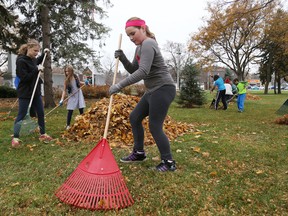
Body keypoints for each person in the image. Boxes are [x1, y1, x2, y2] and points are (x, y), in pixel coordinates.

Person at [109, 17, 177, 172]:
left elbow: (143, 72)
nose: (131, 38)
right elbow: (134, 69)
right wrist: (123, 57)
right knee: (135, 117)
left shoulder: (148, 43)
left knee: (155, 126)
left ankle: (168, 162)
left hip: (163, 88)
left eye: (133, 33)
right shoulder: (139, 47)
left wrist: (119, 85)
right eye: (128, 36)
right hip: (152, 90)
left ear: (143, 28)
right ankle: (139, 153)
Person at [11, 39, 52, 148]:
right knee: (22, 114)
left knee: (41, 113)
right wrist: (36, 70)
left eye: (38, 51)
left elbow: (38, 60)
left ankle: (42, 134)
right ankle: (15, 138)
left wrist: (44, 53)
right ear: (28, 49)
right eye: (35, 51)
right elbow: (24, 78)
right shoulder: (21, 61)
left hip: (36, 91)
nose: (36, 53)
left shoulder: (33, 59)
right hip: (25, 92)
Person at [59, 65, 86, 130]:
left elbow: (79, 82)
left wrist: (85, 82)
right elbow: (64, 91)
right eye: (66, 71)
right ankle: (68, 125)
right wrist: (62, 99)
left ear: (71, 71)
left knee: (81, 108)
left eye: (68, 71)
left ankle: (83, 123)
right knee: (70, 110)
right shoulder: (66, 80)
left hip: (78, 93)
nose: (67, 73)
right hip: (72, 95)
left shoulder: (75, 77)